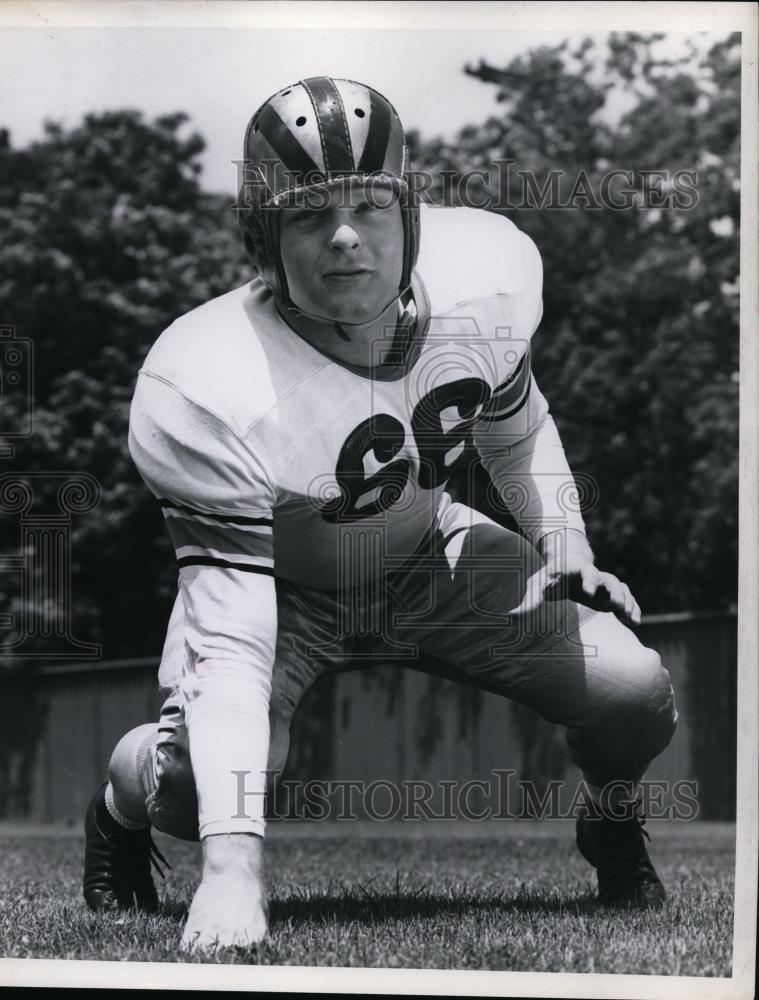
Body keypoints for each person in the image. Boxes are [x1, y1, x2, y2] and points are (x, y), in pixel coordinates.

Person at [82, 76, 677, 952]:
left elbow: (515, 425)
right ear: (262, 238)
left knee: (634, 692)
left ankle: (611, 821)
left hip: (427, 550)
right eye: (309, 214)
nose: (348, 236)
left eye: (371, 203)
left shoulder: (485, 281)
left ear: (413, 215)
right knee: (192, 795)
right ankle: (118, 803)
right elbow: (236, 641)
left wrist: (563, 538)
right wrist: (233, 871)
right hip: (280, 589)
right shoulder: (203, 379)